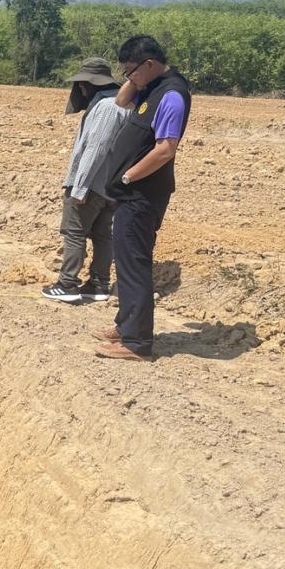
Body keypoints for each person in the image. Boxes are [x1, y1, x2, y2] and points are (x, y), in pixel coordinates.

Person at [94, 35, 192, 361]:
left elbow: (165, 149)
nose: (129, 77)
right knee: (125, 261)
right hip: (131, 194)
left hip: (142, 195)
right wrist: (134, 79)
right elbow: (121, 102)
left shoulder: (172, 96)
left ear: (150, 64)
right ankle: (126, 326)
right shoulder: (150, 86)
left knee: (135, 264)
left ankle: (136, 343)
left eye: (131, 70)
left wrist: (128, 176)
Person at [42, 58, 127, 303]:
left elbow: (96, 149)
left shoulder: (107, 106)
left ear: (92, 84)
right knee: (102, 235)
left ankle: (67, 285)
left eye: (82, 84)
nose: (80, 88)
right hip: (110, 186)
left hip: (92, 185)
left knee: (74, 232)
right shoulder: (121, 103)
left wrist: (80, 187)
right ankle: (98, 284)